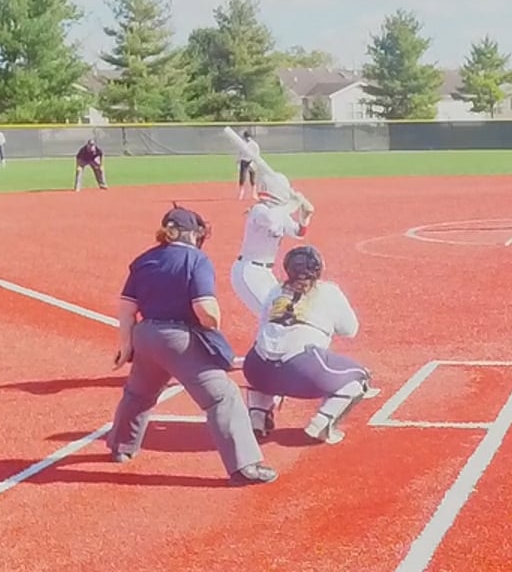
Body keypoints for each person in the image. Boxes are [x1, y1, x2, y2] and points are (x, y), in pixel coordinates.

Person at [108, 206, 277, 485]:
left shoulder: (144, 260)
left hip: (145, 335)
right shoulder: (196, 259)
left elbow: (127, 310)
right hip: (178, 340)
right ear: (191, 234)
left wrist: (126, 346)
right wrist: (213, 328)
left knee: (138, 393)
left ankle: (121, 447)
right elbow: (205, 309)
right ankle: (245, 466)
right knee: (222, 397)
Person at [243, 245, 374, 445]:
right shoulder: (329, 291)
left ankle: (257, 416)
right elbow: (350, 330)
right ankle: (322, 423)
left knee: (265, 359)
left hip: (256, 368)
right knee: (360, 376)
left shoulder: (275, 290)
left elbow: (262, 326)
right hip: (303, 370)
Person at [230, 180, 314, 319]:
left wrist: (305, 216)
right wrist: (293, 204)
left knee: (284, 310)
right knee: (273, 315)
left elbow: (298, 232)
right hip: (249, 270)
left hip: (265, 272)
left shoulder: (280, 213)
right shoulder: (259, 210)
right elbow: (271, 219)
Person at [236, 129, 259, 200]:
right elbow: (240, 153)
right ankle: (241, 193)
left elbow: (257, 154)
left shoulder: (254, 144)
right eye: (246, 137)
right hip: (244, 161)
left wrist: (254, 162)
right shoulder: (243, 144)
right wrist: (238, 160)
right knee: (242, 177)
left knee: (252, 178)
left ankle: (254, 194)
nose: (247, 138)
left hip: (251, 161)